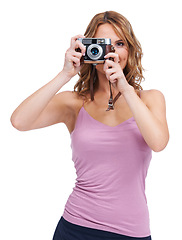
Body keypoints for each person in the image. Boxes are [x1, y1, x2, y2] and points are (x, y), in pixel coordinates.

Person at [11, 11, 169, 240]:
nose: (111, 52)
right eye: (103, 44)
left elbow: (159, 142)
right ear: (87, 50)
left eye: (120, 43)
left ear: (130, 50)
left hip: (131, 232)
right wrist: (65, 74)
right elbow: (19, 121)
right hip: (75, 227)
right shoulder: (75, 103)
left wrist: (124, 88)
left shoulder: (150, 99)